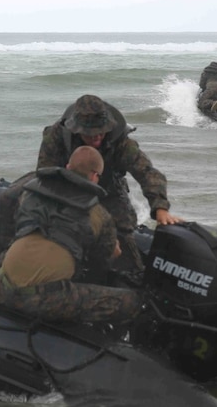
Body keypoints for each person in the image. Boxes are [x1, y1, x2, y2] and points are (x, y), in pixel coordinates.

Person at [0, 146, 146, 324]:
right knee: (132, 302)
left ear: (68, 167)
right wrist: (114, 250)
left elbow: (13, 215)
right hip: (39, 300)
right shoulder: (99, 215)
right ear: (95, 176)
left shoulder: (30, 193)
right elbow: (102, 262)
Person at [35, 94, 181, 274]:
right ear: (77, 130)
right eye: (90, 134)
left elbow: (147, 173)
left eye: (100, 131)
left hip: (108, 190)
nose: (97, 137)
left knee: (122, 237)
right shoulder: (57, 136)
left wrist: (160, 208)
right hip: (66, 189)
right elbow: (45, 174)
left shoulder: (120, 142)